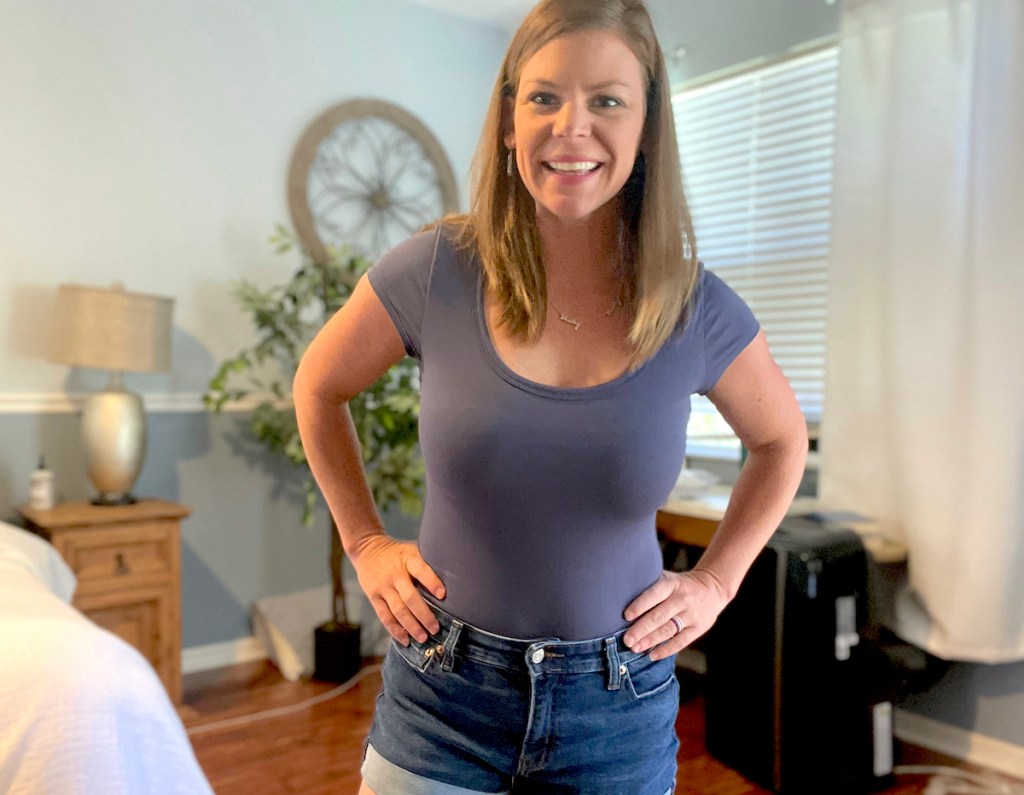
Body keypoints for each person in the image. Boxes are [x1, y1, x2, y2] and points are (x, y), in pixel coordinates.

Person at [293, 0, 807, 792]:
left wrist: (716, 580)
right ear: (507, 119)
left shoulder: (694, 307)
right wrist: (364, 544)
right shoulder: (437, 267)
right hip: (442, 693)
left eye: (607, 100)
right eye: (544, 97)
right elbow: (319, 386)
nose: (572, 127)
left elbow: (780, 442)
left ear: (646, 128)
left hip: (617, 705)